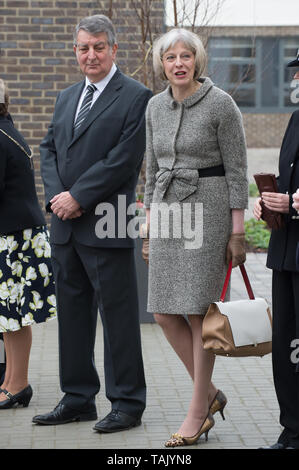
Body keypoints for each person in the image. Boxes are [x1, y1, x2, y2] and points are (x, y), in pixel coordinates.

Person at [32, 15, 152, 433]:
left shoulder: (137, 96)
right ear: (75, 51)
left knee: (118, 318)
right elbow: (48, 147)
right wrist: (57, 196)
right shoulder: (67, 96)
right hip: (66, 227)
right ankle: (78, 397)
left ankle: (127, 403)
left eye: (99, 47)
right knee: (74, 316)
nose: (91, 55)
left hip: (107, 222)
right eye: (83, 48)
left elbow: (124, 159)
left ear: (114, 49)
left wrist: (78, 196)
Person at [142, 28, 248, 447]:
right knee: (166, 313)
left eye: (186, 56)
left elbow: (238, 171)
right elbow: (151, 172)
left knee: (197, 314)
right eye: (171, 58)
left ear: (197, 61)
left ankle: (196, 410)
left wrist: (238, 233)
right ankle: (209, 395)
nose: (179, 63)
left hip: (209, 212)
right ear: (162, 64)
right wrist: (148, 230)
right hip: (168, 213)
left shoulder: (222, 104)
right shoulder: (154, 107)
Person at [0, 79, 56, 409]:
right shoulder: (8, 130)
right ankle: (11, 380)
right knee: (9, 314)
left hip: (13, 238)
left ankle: (17, 383)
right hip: (18, 235)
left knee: (14, 314)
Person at [253, 51, 299, 449]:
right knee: (287, 345)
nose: (295, 78)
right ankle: (292, 429)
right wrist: (269, 200)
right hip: (287, 250)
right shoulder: (295, 119)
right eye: (296, 71)